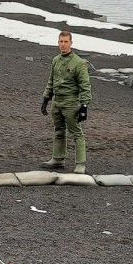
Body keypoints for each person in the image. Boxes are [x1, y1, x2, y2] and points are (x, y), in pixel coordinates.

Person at [40, 29, 92, 173]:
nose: (63, 45)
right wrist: (46, 98)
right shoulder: (56, 60)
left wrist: (84, 106)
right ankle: (58, 158)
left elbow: (85, 86)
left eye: (66, 42)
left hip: (71, 103)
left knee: (76, 133)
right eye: (61, 42)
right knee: (59, 130)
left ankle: (81, 163)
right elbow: (51, 80)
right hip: (57, 102)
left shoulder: (79, 63)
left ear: (71, 43)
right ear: (58, 43)